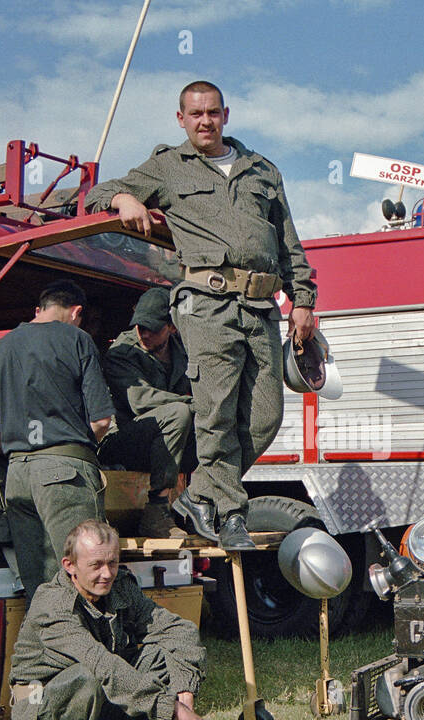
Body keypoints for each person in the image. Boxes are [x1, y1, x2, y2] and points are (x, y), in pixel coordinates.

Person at [85, 80, 317, 551]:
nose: (205, 121)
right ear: (181, 119)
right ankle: (230, 512)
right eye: (195, 114)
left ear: (226, 114)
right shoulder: (168, 167)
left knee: (266, 416)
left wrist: (304, 300)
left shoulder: (262, 170)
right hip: (206, 302)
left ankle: (200, 494)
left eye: (212, 112)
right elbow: (98, 193)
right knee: (216, 410)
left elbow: (289, 242)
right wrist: (124, 200)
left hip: (262, 306)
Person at [8, 519, 208, 720]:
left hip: (97, 692)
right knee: (88, 676)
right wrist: (170, 708)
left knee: (160, 659)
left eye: (112, 563)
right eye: (95, 565)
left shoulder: (120, 587)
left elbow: (178, 630)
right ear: (70, 566)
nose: (107, 574)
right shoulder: (52, 604)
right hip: (41, 708)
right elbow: (102, 666)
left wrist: (184, 693)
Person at [0, 280, 115, 604]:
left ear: (38, 310)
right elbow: (101, 420)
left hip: (17, 476)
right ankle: (84, 652)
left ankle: (45, 651)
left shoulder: (0, 348)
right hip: (65, 470)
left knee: (37, 586)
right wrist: (82, 451)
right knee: (84, 576)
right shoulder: (77, 339)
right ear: (76, 312)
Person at [98, 286, 196, 539]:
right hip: (122, 442)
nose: (144, 334)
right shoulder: (123, 351)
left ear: (172, 327)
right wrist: (190, 403)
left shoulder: (183, 349)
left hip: (164, 440)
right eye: (140, 326)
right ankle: (156, 510)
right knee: (179, 413)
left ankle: (203, 501)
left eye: (153, 328)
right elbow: (139, 401)